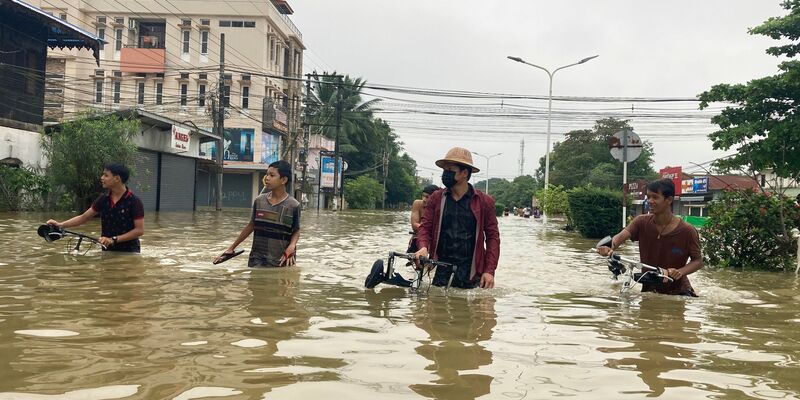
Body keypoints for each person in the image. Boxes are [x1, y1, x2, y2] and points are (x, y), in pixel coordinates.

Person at [597, 178, 703, 296]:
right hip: (648, 290)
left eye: (655, 197)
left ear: (669, 200)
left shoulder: (687, 230)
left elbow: (698, 261)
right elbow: (622, 235)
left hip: (678, 292)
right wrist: (611, 246)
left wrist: (679, 272)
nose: (650, 201)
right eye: (648, 197)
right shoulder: (641, 222)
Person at [414, 147, 500, 289]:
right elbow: (426, 227)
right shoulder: (436, 198)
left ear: (464, 173)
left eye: (450, 170)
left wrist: (489, 271)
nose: (445, 174)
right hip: (441, 268)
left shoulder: (484, 202)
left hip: (472, 272)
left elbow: (493, 238)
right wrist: (423, 247)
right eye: (444, 170)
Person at [215, 160, 301, 267]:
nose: (267, 178)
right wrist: (231, 248)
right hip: (257, 259)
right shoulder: (259, 201)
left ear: (283, 179)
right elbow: (251, 225)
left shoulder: (294, 205)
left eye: (272, 175)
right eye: (267, 174)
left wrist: (292, 246)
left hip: (282, 260)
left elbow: (296, 230)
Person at [46, 163, 144, 252]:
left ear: (117, 178)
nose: (102, 178)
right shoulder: (103, 199)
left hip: (130, 253)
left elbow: (139, 230)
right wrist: (60, 225)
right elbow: (83, 217)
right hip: (107, 250)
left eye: (106, 175)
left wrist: (113, 239)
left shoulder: (134, 201)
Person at [408, 184, 440, 253]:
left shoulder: (440, 207)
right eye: (423, 196)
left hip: (435, 239)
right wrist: (426, 229)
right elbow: (414, 224)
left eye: (427, 197)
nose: (424, 199)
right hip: (419, 236)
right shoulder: (417, 204)